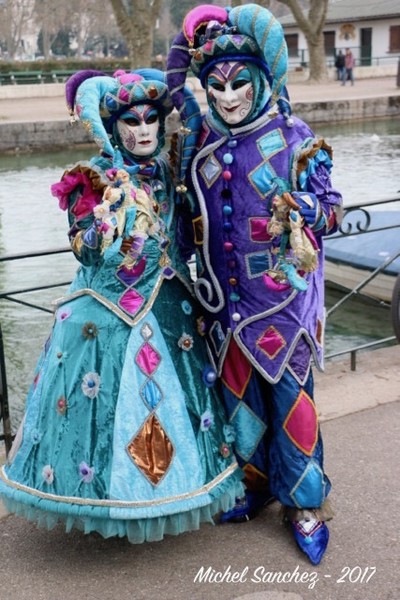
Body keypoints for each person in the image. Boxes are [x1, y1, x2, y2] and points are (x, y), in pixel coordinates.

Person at [0, 68, 244, 543]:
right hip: (105, 316)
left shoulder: (173, 172)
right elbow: (84, 250)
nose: (143, 130)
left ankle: (172, 491)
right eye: (130, 122)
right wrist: (102, 226)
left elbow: (188, 235)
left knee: (170, 408)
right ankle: (108, 501)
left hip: (170, 310)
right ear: (114, 128)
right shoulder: (92, 178)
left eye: (152, 118)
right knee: (107, 409)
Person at [167, 3, 343, 565]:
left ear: (262, 79)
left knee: (293, 404)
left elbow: (332, 209)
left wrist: (312, 207)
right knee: (240, 409)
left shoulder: (293, 136)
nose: (226, 95)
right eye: (214, 85)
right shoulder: (203, 150)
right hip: (224, 308)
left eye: (239, 81)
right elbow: (186, 218)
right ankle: (258, 483)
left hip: (282, 306)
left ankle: (306, 501)